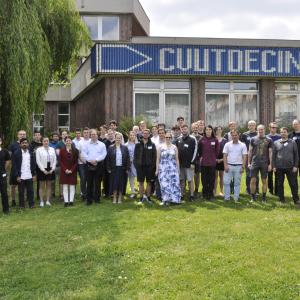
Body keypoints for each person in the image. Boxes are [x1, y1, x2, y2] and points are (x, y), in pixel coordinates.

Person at [273, 127, 299, 206]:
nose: (283, 133)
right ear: (280, 133)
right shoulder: (276, 143)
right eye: (281, 132)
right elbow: (273, 156)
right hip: (279, 167)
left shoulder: (292, 142)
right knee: (280, 184)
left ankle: (296, 200)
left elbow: (296, 155)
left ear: (287, 133)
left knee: (293, 184)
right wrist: (274, 166)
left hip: (290, 167)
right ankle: (281, 200)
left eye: (284, 132)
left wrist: (295, 166)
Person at [81, 129, 107, 205]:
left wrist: (96, 160)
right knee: (89, 183)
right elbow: (83, 154)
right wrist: (90, 160)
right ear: (90, 135)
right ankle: (89, 200)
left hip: (98, 165)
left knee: (98, 183)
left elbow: (104, 154)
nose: (93, 136)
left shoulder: (102, 144)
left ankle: (97, 199)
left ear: (97, 135)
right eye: (92, 134)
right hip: (89, 165)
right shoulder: (86, 144)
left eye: (95, 134)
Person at [248, 125, 272, 203]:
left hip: (264, 163)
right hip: (254, 163)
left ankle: (264, 198)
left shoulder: (269, 140)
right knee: (253, 180)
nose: (260, 131)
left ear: (264, 130)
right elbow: (250, 151)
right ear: (257, 130)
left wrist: (270, 164)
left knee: (264, 181)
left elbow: (270, 153)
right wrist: (249, 162)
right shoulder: (252, 139)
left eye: (262, 129)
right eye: (259, 130)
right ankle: (253, 197)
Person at [156, 131, 181, 205]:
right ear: (164, 138)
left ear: (171, 138)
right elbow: (158, 159)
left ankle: (175, 200)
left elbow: (177, 159)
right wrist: (157, 169)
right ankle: (166, 200)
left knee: (173, 183)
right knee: (164, 184)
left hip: (173, 168)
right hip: (163, 168)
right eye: (167, 137)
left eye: (169, 137)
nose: (168, 138)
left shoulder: (174, 147)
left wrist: (178, 169)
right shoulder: (160, 147)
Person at [223, 130, 247, 202]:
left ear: (238, 135)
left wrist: (243, 167)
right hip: (229, 166)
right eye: (233, 135)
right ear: (231, 136)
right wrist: (225, 165)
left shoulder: (243, 145)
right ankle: (227, 198)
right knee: (226, 182)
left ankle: (236, 198)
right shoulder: (227, 144)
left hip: (238, 166)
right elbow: (225, 155)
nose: (234, 136)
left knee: (237, 183)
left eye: (236, 135)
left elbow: (244, 156)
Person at [12, 138, 36, 209]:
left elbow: (33, 164)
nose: (24, 144)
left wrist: (34, 174)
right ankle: (21, 205)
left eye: (26, 143)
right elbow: (14, 166)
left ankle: (31, 205)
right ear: (20, 144)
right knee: (21, 192)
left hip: (29, 175)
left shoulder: (31, 153)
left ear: (28, 144)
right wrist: (17, 176)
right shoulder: (16, 153)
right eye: (23, 143)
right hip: (21, 176)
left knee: (31, 191)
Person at [133, 129, 156, 204]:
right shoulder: (138, 145)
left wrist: (152, 166)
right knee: (141, 183)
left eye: (147, 133)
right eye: (144, 133)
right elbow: (135, 156)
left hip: (149, 167)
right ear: (142, 134)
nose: (145, 134)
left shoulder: (152, 144)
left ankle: (148, 197)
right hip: (140, 167)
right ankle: (141, 198)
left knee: (149, 182)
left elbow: (154, 156)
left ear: (149, 135)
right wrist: (137, 165)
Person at [107, 133, 130, 204]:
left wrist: (127, 168)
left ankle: (120, 198)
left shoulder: (125, 148)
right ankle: (114, 198)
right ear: (115, 138)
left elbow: (128, 159)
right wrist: (108, 168)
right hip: (114, 169)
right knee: (114, 183)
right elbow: (108, 159)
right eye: (117, 138)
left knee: (121, 184)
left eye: (119, 138)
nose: (118, 139)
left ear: (121, 139)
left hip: (122, 169)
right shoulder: (110, 147)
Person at [176, 125, 197, 201]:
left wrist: (192, 162)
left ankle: (191, 195)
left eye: (185, 129)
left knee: (190, 180)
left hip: (189, 164)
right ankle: (182, 194)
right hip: (180, 164)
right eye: (182, 129)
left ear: (188, 130)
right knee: (181, 180)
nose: (184, 130)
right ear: (181, 130)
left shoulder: (192, 139)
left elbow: (195, 151)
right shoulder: (178, 139)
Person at [198, 125, 220, 200]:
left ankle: (210, 195)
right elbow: (199, 151)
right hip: (203, 163)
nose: (208, 131)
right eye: (207, 130)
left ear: (212, 131)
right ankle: (204, 194)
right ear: (205, 131)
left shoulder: (215, 140)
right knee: (204, 180)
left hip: (212, 163)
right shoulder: (202, 140)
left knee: (211, 180)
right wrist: (201, 157)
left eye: (210, 129)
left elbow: (217, 151)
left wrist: (213, 158)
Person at [36, 137, 57, 207]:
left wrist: (52, 169)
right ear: (42, 142)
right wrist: (43, 170)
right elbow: (38, 161)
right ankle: (41, 201)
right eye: (44, 141)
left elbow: (55, 160)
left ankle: (48, 201)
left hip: (50, 168)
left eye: (47, 141)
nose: (46, 142)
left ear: (49, 142)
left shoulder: (52, 149)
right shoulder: (39, 150)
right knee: (41, 186)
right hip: (42, 168)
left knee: (49, 185)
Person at [8, 130, 26, 207]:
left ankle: (23, 199)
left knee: (23, 185)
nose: (22, 135)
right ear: (17, 135)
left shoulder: (27, 144)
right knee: (13, 185)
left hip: (25, 169)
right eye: (20, 134)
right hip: (15, 168)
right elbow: (9, 157)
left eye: (23, 134)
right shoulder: (13, 145)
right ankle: (13, 200)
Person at [241, 120, 258, 194]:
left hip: (256, 156)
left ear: (255, 126)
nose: (251, 126)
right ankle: (248, 190)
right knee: (248, 174)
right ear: (248, 126)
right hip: (247, 157)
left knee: (256, 174)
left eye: (253, 125)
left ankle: (256, 190)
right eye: (250, 125)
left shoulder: (258, 134)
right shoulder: (244, 135)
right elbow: (242, 146)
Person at [60, 136, 78, 207]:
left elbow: (76, 162)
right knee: (65, 186)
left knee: (72, 186)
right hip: (64, 171)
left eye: (69, 140)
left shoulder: (75, 150)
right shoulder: (62, 150)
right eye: (67, 141)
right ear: (65, 142)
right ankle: (66, 201)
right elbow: (60, 161)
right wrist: (65, 170)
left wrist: (71, 170)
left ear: (71, 141)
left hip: (72, 171)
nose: (68, 142)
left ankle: (71, 201)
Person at [266, 122, 281, 195]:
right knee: (270, 176)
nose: (274, 129)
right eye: (272, 127)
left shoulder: (280, 136)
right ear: (269, 128)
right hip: (268, 160)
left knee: (278, 176)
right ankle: (270, 191)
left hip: (278, 159)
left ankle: (277, 191)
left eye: (275, 127)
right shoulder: (266, 137)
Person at [30, 131, 43, 203]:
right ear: (34, 136)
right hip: (33, 164)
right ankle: (30, 196)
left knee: (39, 181)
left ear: (40, 136)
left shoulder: (42, 144)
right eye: (36, 135)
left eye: (39, 135)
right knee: (31, 180)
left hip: (40, 164)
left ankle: (38, 195)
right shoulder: (31, 144)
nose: (37, 136)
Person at [77, 127, 90, 201]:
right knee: (83, 179)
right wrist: (82, 160)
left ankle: (89, 193)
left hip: (90, 163)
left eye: (87, 132)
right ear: (83, 134)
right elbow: (78, 154)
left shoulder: (91, 141)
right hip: (81, 163)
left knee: (89, 179)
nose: (86, 134)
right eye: (84, 133)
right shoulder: (80, 142)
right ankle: (83, 194)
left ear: (89, 133)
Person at [214, 126, 226, 197]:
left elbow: (226, 152)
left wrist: (222, 159)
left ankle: (221, 191)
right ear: (215, 131)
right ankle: (214, 191)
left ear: (222, 131)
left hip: (222, 160)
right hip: (214, 160)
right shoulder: (213, 139)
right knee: (215, 177)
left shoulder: (225, 140)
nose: (218, 131)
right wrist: (215, 159)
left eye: (220, 129)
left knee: (221, 177)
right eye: (217, 130)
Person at [0, 137, 10, 214]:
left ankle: (6, 210)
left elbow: (8, 161)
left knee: (4, 192)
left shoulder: (4, 151)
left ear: (0, 142)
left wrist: (4, 169)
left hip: (2, 174)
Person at [125, 131, 137, 198]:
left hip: (136, 164)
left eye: (133, 135)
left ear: (135, 136)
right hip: (129, 164)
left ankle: (140, 191)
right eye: (131, 135)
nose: (132, 136)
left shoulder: (137, 144)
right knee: (131, 178)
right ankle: (132, 191)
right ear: (129, 136)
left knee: (139, 177)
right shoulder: (126, 145)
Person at [191, 122, 202, 195]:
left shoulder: (201, 138)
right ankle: (190, 189)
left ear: (198, 128)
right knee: (190, 175)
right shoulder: (189, 137)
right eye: (194, 128)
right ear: (192, 128)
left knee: (197, 175)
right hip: (191, 159)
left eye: (196, 127)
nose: (195, 129)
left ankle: (196, 189)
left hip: (198, 159)